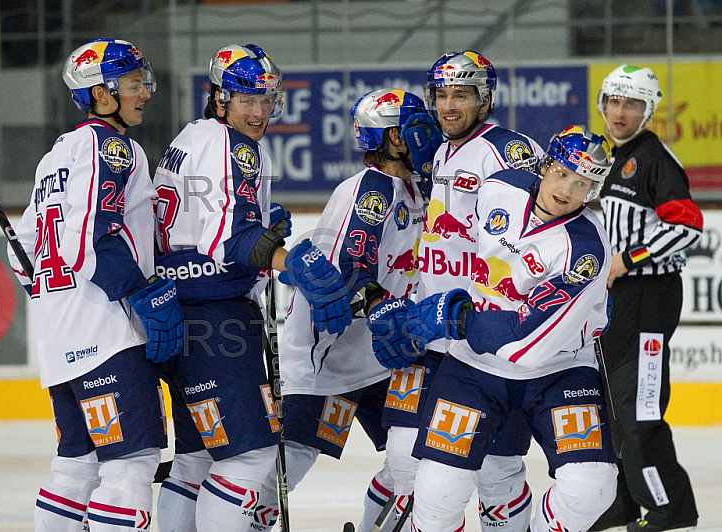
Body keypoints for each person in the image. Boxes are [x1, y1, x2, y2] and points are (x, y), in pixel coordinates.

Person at [372, 125, 619, 532]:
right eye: (561, 173)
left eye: (583, 183)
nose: (567, 189)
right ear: (545, 166)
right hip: (472, 366)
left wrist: (453, 317)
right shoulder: (499, 187)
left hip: (558, 371)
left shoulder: (586, 249)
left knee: (590, 488)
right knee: (436, 497)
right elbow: (450, 240)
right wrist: (424, 300)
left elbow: (528, 344)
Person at [151, 43, 352, 532]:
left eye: (266, 99)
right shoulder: (234, 146)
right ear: (220, 98)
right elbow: (230, 238)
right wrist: (290, 262)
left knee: (197, 458)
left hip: (181, 316)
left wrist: (263, 226)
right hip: (215, 317)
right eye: (247, 100)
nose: (259, 111)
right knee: (250, 457)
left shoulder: (191, 136)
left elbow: (203, 224)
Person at [8, 39, 184, 531]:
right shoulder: (110, 146)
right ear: (101, 95)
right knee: (131, 465)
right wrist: (142, 290)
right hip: (107, 333)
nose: (145, 93)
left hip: (60, 337)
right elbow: (92, 235)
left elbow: (21, 252)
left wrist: (58, 300)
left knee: (76, 467)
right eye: (132, 84)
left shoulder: (54, 157)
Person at [370, 50, 544, 531]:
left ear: (484, 98)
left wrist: (470, 309)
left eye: (461, 95)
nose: (448, 106)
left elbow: (527, 245)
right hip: (438, 338)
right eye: (441, 95)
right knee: (417, 465)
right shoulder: (442, 152)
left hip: (487, 340)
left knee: (498, 471)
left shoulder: (510, 152)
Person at [252, 88, 428, 532]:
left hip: (386, 357)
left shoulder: (415, 189)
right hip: (329, 359)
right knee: (287, 465)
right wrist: (377, 303)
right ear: (394, 139)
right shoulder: (373, 191)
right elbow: (353, 271)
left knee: (420, 463)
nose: (428, 136)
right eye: (416, 129)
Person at [589, 64, 703, 532]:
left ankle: (670, 507)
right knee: (611, 406)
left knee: (639, 408)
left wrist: (627, 259)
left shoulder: (653, 159)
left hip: (649, 297)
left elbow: (687, 225)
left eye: (631, 103)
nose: (619, 112)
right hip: (617, 300)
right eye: (613, 101)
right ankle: (623, 502)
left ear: (648, 110)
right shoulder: (607, 156)